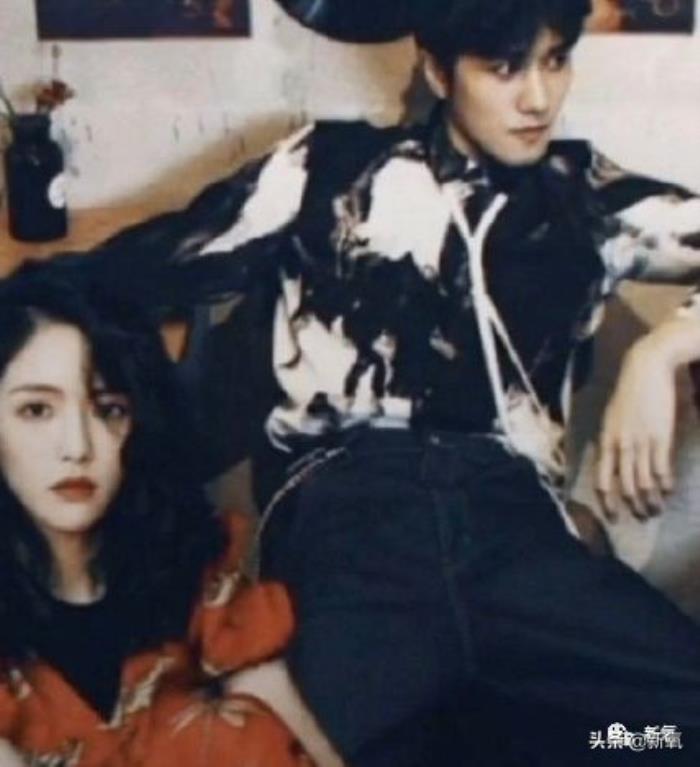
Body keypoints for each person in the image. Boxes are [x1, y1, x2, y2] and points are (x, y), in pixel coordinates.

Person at [85, 0, 700, 762]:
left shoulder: (585, 195)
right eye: (504, 69)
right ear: (439, 70)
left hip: (515, 536)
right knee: (316, 748)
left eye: (554, 60)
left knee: (671, 730)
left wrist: (663, 349)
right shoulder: (328, 169)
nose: (539, 97)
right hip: (354, 521)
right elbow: (134, 271)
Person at [0, 259, 334, 767]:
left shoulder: (183, 557)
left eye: (109, 409)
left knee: (241, 733)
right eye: (36, 410)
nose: (77, 447)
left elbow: (266, 690)